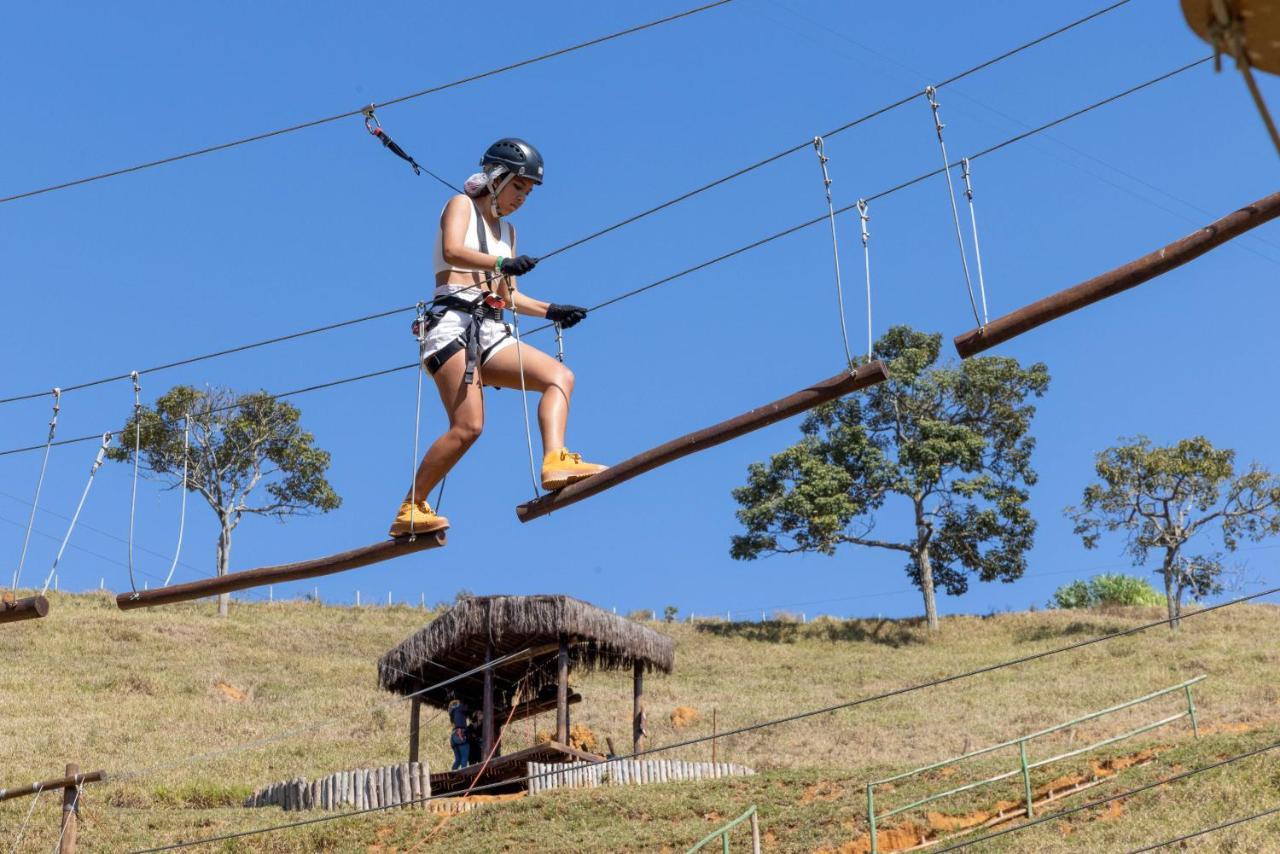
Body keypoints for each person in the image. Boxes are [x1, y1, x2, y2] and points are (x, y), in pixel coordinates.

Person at [390, 138, 607, 536]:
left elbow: (507, 296)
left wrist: (550, 310)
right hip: (451, 327)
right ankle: (411, 507)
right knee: (469, 427)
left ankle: (555, 459)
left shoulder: (508, 232)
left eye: (528, 192)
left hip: (491, 328)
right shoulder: (461, 207)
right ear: (496, 178)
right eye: (518, 187)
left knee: (560, 377)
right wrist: (502, 261)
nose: (522, 198)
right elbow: (454, 250)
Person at [448, 698, 470, 770]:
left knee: (458, 760)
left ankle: (452, 775)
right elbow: (467, 708)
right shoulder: (460, 708)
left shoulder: (452, 713)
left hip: (454, 736)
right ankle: (464, 775)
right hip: (460, 733)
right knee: (464, 758)